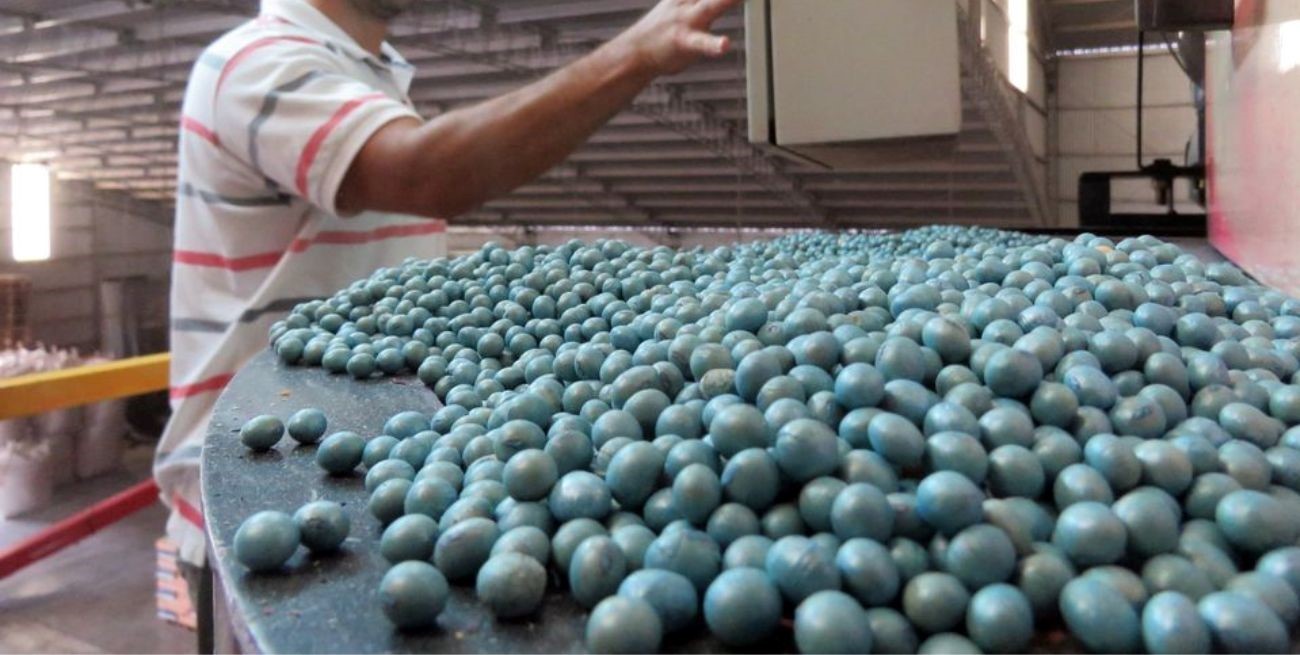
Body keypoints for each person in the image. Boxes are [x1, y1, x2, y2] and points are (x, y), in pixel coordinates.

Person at [155, 0, 741, 579]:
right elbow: (422, 172)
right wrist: (634, 53)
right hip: (265, 483)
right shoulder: (256, 62)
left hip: (374, 461)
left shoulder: (365, 72)